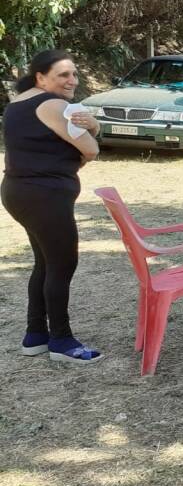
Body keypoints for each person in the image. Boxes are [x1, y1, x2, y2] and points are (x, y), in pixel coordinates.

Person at [2, 49, 103, 363]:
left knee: (45, 263)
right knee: (62, 264)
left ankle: (35, 336)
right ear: (40, 77)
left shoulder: (15, 105)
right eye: (63, 75)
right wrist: (95, 127)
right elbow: (91, 149)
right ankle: (61, 340)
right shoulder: (56, 105)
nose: (72, 80)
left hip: (18, 191)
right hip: (45, 196)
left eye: (74, 73)